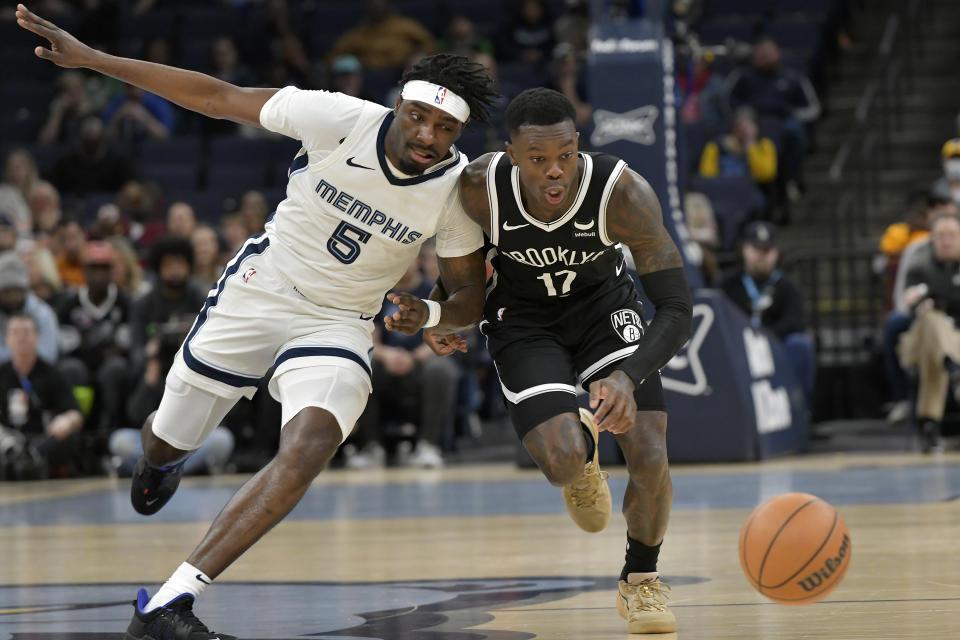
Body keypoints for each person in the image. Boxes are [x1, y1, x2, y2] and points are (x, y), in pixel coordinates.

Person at [16, 6, 495, 639]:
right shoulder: (340, 118)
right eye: (419, 117)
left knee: (311, 443)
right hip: (260, 292)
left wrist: (430, 312)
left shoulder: (457, 190)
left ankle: (170, 602)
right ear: (397, 106)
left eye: (443, 128)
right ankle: (159, 460)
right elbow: (218, 97)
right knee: (166, 439)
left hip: (338, 322)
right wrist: (95, 60)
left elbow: (466, 295)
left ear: (457, 136)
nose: (427, 136)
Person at [442, 88, 692, 634]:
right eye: (537, 160)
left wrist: (627, 376)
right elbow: (461, 278)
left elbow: (677, 307)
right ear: (511, 154)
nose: (554, 172)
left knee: (649, 449)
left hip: (605, 313)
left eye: (565, 157)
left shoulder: (622, 192)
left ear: (579, 145)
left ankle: (641, 582)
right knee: (558, 462)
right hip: (524, 320)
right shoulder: (478, 190)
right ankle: (579, 457)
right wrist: (441, 314)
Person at [720, 221, 815, 407]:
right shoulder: (726, 284)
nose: (762, 255)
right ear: (744, 250)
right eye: (756, 249)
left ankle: (800, 412)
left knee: (800, 345)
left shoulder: (788, 286)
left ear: (777, 252)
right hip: (738, 345)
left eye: (768, 250)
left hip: (776, 345)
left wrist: (764, 337)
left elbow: (795, 322)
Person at [896, 210, 960, 453]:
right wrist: (929, 303)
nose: (946, 241)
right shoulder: (920, 266)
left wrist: (939, 300)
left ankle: (929, 424)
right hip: (919, 340)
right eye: (941, 235)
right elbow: (913, 304)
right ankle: (955, 371)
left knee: (936, 347)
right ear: (932, 239)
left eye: (952, 235)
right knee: (931, 322)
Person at [0, 314, 83, 479]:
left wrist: (66, 421)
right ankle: (12, 461)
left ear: (37, 337)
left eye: (26, 332)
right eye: (16, 332)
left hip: (43, 439)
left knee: (69, 438)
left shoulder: (52, 373)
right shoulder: (2, 373)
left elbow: (75, 413)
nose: (21, 337)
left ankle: (33, 462)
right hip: (8, 440)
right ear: (7, 339)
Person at [0, 251, 59, 364]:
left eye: (17, 291)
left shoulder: (43, 313)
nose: (12, 297)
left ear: (26, 291)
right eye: (7, 292)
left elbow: (48, 354)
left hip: (37, 374)